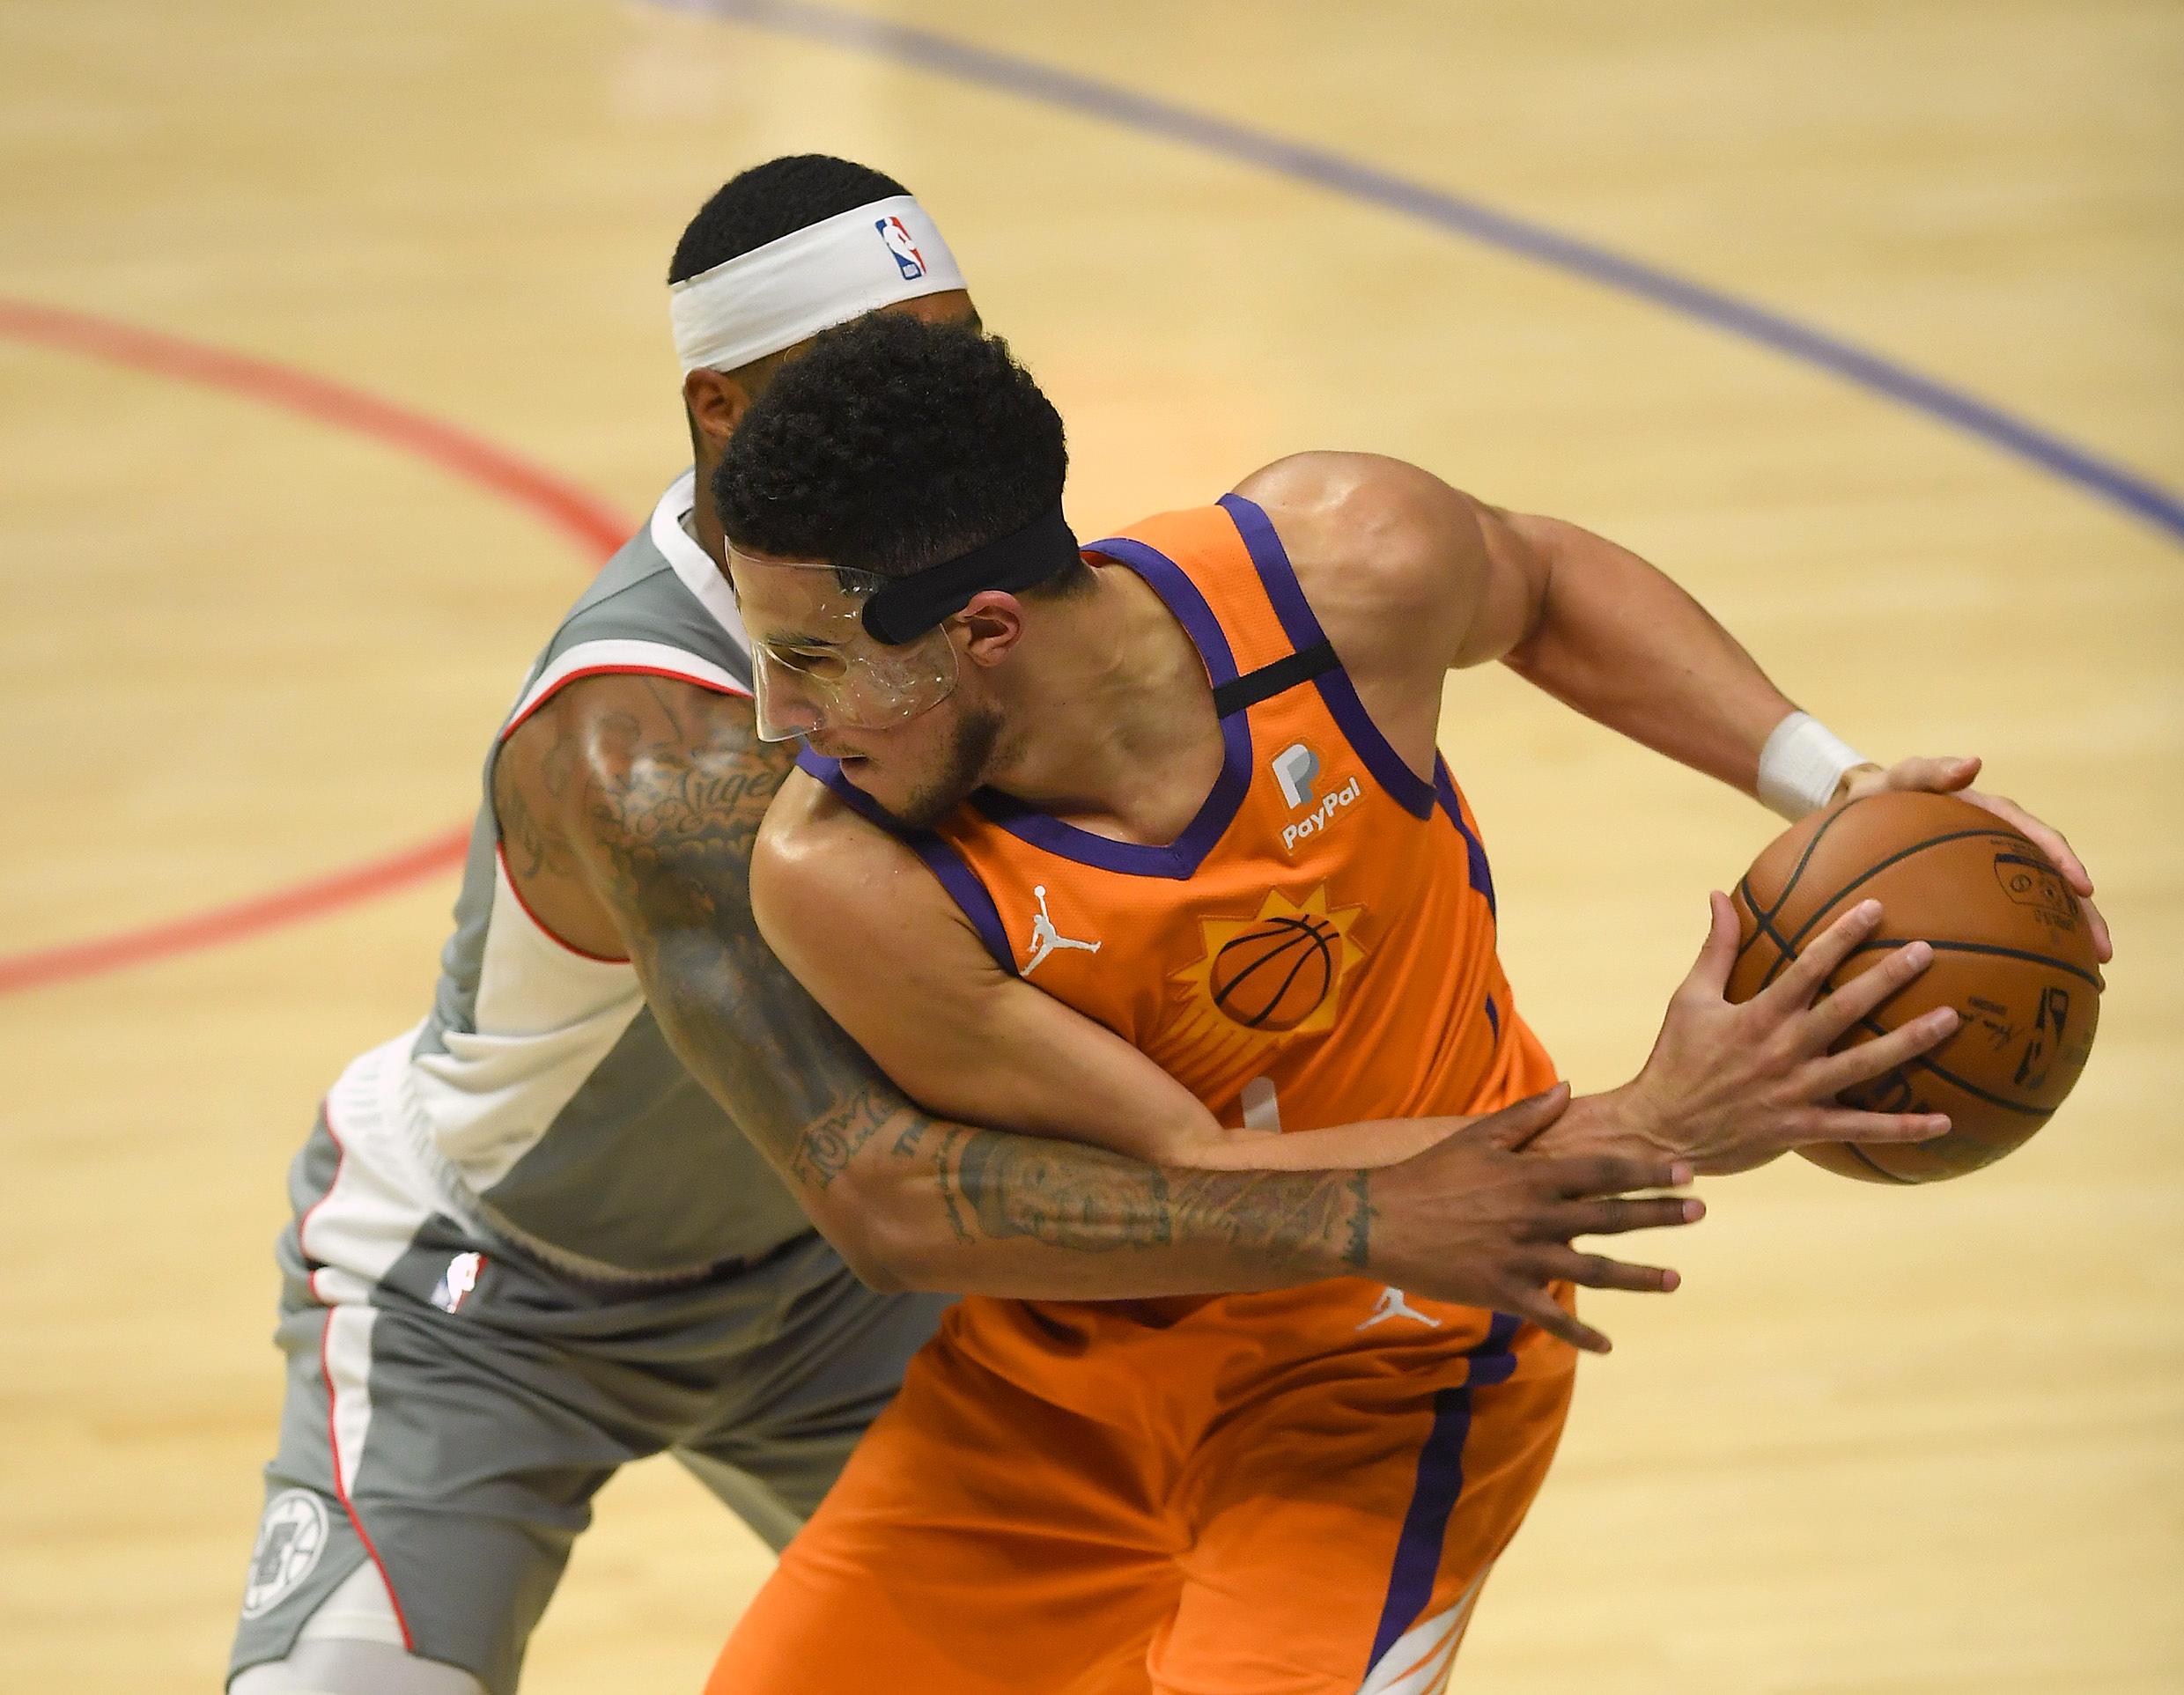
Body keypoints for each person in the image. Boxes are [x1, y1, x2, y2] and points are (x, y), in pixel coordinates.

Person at [227, 156, 1718, 1695]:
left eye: (949, 347)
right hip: (511, 1300)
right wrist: (1580, 1143)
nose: (921, 395)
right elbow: (890, 1185)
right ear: (727, 417)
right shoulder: (665, 758)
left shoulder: (978, 632)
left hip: (846, 1301)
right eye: (873, 365)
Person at [707, 313, 2107, 1693]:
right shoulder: (842, 873)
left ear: (986, 628)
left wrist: (1836, 784)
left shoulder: (1337, 570)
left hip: (1385, 1373)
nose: (777, 717)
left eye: (812, 661)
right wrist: (1650, 1119)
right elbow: (1188, 1169)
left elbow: (1545, 586)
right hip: (1051, 1394)